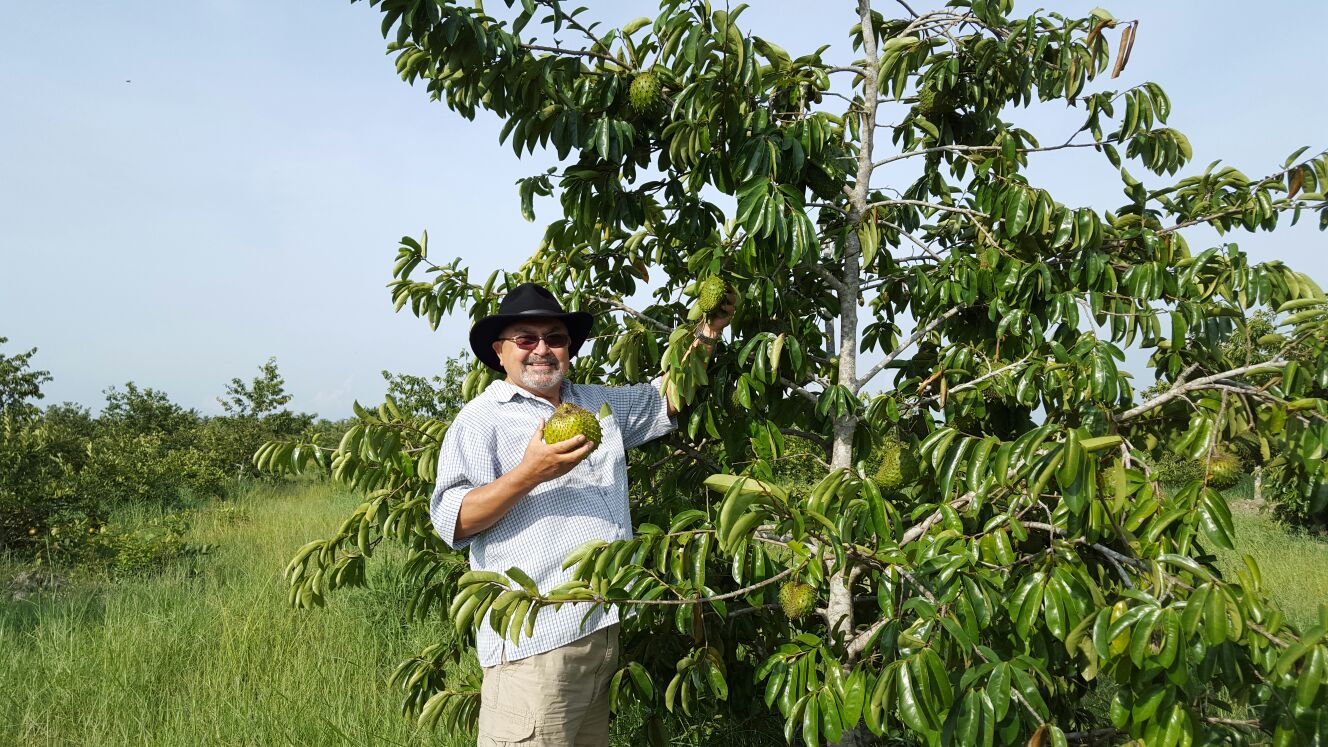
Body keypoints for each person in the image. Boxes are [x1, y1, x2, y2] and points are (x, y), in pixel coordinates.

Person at [430, 282, 732, 746]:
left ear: (569, 347)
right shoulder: (481, 419)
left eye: (555, 338)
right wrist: (530, 473)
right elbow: (454, 520)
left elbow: (666, 396)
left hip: (603, 634)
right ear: (500, 351)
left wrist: (708, 331)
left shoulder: (596, 405)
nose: (542, 350)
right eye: (526, 339)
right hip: (534, 644)